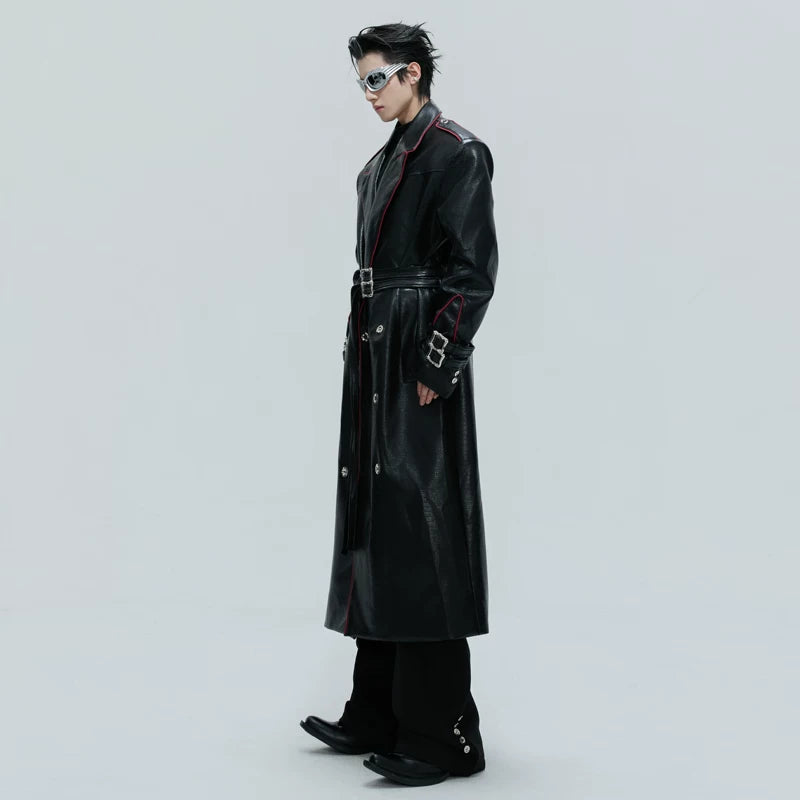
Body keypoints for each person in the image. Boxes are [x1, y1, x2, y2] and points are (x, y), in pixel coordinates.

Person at [300, 22, 499, 787]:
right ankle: (376, 709)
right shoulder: (378, 166)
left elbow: (473, 271)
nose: (369, 94)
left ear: (414, 73)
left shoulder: (455, 152)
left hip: (416, 352)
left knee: (424, 529)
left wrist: (437, 362)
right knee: (375, 522)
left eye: (378, 78)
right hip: (376, 355)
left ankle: (443, 732)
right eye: (362, 82)